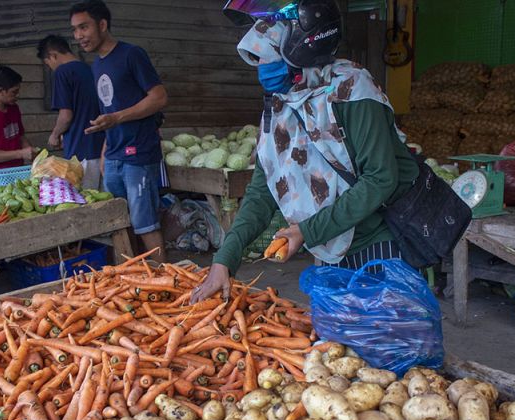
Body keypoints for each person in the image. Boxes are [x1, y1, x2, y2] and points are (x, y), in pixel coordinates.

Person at [192, 0, 419, 303]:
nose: (261, 68)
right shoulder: (280, 104)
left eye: (268, 57)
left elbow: (380, 178)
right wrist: (224, 259)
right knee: (337, 345)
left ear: (301, 51)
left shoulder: (353, 92)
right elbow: (263, 190)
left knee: (383, 341)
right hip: (328, 245)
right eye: (258, 59)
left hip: (378, 243)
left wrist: (307, 231)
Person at [70, 0, 169, 263]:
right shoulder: (97, 65)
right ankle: (134, 279)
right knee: (120, 221)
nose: (78, 36)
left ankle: (168, 280)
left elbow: (159, 98)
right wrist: (105, 151)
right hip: (113, 155)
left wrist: (118, 118)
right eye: (75, 30)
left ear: (102, 25)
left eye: (84, 27)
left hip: (138, 153)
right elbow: (110, 110)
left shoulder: (131, 54)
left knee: (145, 222)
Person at [37, 35, 106, 191]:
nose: (51, 68)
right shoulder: (90, 69)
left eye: (48, 63)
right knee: (103, 199)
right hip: (102, 149)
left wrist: (54, 135)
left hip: (81, 151)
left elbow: (66, 116)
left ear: (53, 55)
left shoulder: (63, 72)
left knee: (86, 202)